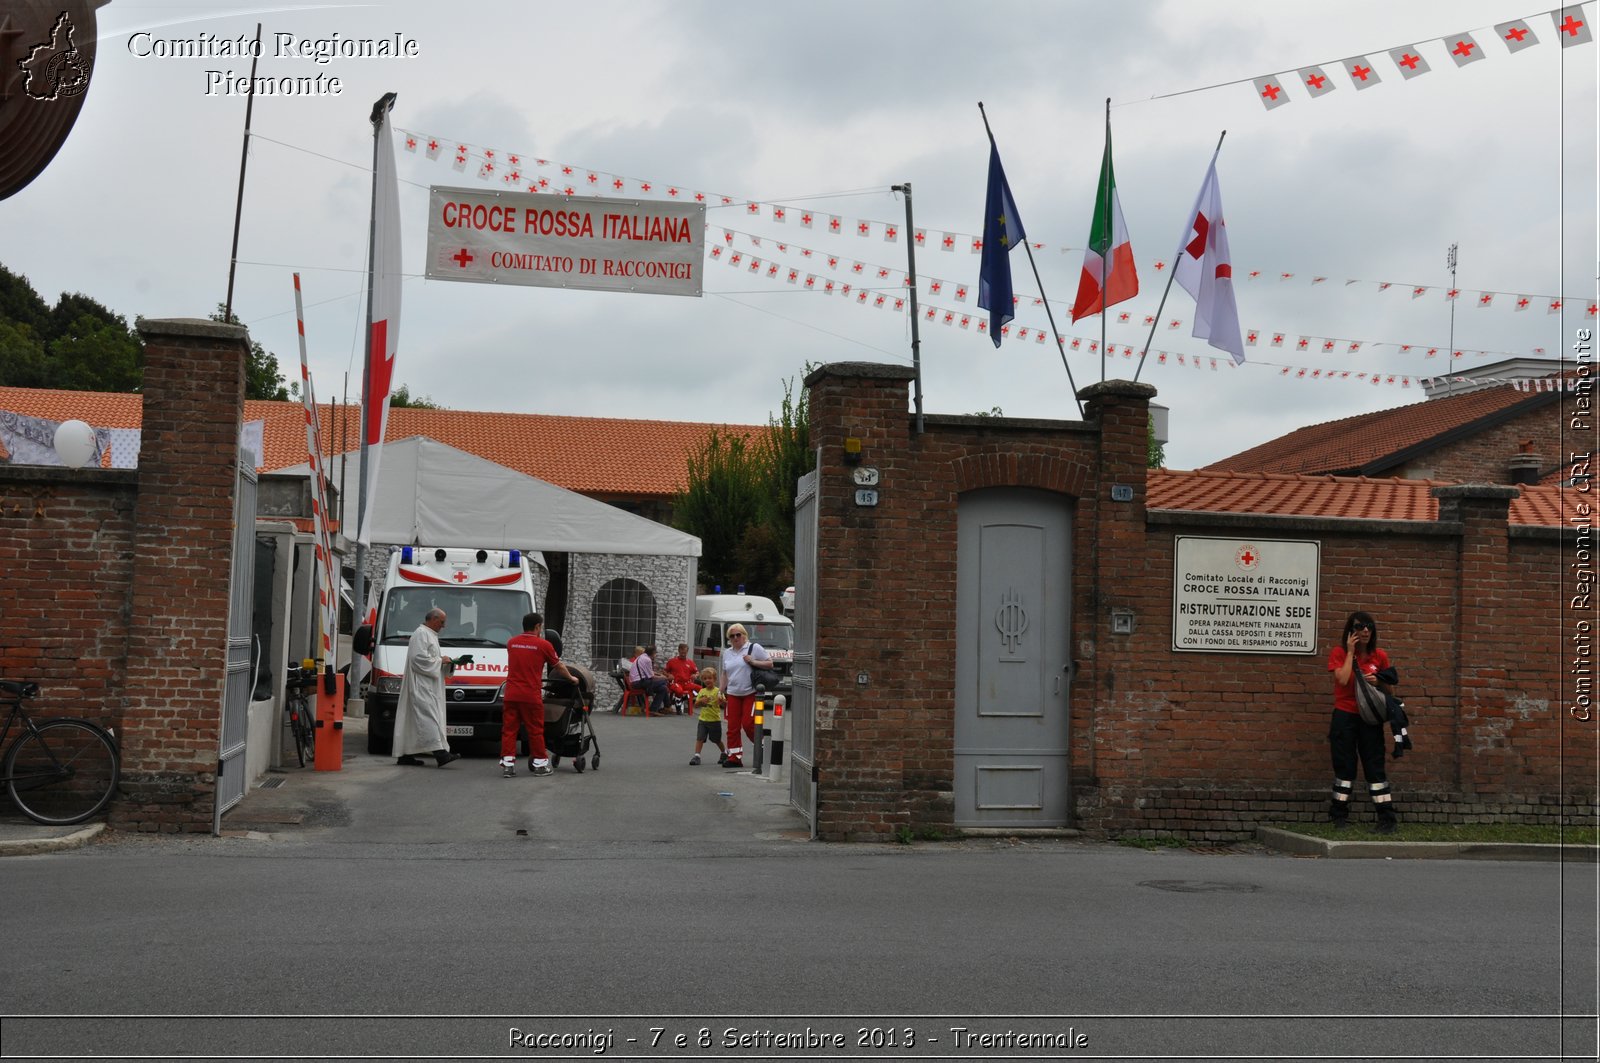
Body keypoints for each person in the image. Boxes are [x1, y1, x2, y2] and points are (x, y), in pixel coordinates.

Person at [1327, 610, 1398, 833]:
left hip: (1370, 719)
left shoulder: (1380, 656)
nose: (1365, 630)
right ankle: (1338, 816)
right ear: (1350, 631)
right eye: (1359, 626)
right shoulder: (1339, 652)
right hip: (1345, 716)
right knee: (1345, 767)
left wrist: (1378, 680)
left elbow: (1390, 690)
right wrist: (1350, 652)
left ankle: (1386, 820)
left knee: (1375, 768)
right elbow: (1343, 678)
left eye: (1369, 626)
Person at [501, 612, 577, 778]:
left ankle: (508, 766)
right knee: (535, 730)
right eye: (540, 627)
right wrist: (572, 678)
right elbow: (559, 666)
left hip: (511, 693)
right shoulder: (543, 645)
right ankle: (540, 765)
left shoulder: (511, 643)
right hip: (530, 695)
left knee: (509, 730)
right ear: (537, 627)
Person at [391, 607, 462, 768]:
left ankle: (406, 754)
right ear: (433, 619)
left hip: (428, 684)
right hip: (421, 685)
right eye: (442, 622)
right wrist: (440, 661)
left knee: (415, 720)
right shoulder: (421, 634)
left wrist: (449, 662)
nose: (443, 626)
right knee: (428, 718)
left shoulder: (430, 635)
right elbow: (418, 659)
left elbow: (430, 659)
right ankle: (441, 754)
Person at [719, 623, 772, 769]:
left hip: (750, 693)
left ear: (744, 635)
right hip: (733, 694)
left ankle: (763, 746)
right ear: (729, 638)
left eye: (738, 634)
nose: (735, 638)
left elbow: (770, 664)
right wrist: (720, 691)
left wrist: (753, 661)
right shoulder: (727, 653)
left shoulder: (754, 648)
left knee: (748, 724)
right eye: (732, 636)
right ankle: (735, 757)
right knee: (732, 727)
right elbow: (725, 674)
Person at [689, 667, 727, 766]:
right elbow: (695, 705)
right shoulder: (702, 691)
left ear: (714, 679)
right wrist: (701, 701)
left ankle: (724, 753)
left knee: (716, 739)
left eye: (709, 678)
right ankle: (697, 756)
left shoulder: (718, 691)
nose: (707, 680)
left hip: (714, 720)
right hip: (703, 720)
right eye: (705, 678)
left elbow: (725, 705)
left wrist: (722, 702)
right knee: (700, 738)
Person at [629, 643, 670, 715]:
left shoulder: (642, 657)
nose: (656, 655)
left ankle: (654, 709)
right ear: (653, 653)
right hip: (639, 683)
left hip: (636, 682)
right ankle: (667, 706)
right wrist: (663, 677)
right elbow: (651, 677)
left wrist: (659, 675)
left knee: (663, 688)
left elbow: (649, 672)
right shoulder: (647, 660)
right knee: (663, 681)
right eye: (655, 653)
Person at [663, 643, 699, 714]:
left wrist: (695, 675)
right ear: (679, 651)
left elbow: (697, 672)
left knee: (700, 689)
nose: (683, 654)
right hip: (676, 683)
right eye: (682, 652)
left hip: (687, 683)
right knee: (679, 691)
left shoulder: (690, 662)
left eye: (685, 653)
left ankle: (680, 699)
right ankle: (678, 704)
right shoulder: (672, 661)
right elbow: (664, 671)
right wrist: (668, 675)